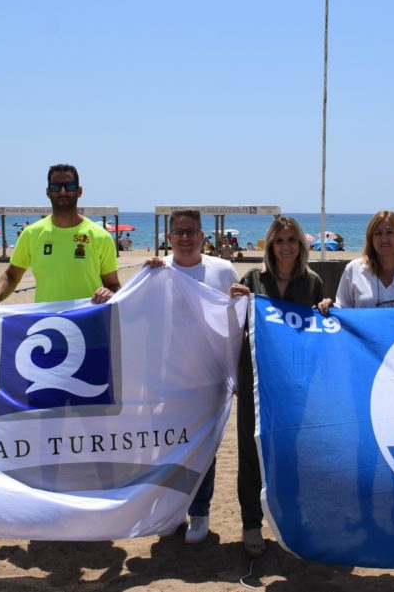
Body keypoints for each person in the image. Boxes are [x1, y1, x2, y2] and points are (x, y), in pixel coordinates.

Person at [229, 216, 324, 557]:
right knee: (250, 451)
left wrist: (327, 309)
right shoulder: (253, 279)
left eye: (292, 240)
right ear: (270, 245)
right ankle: (251, 523)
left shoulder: (312, 282)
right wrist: (236, 301)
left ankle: (292, 518)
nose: (286, 246)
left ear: (301, 245)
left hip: (294, 382)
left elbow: (320, 331)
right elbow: (232, 326)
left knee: (292, 451)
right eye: (279, 240)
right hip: (255, 380)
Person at [147, 208, 241, 544]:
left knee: (204, 451)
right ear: (168, 237)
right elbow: (129, 315)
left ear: (203, 236)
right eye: (179, 232)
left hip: (208, 380)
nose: (185, 238)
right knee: (167, 448)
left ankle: (199, 513)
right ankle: (171, 512)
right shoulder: (155, 273)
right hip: (166, 380)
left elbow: (239, 318)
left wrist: (235, 372)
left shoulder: (223, 270)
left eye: (191, 232)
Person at [0, 164, 119, 305]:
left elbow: (113, 285)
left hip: (85, 322)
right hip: (47, 323)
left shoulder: (101, 237)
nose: (63, 191)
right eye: (56, 187)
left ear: (79, 191)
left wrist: (109, 292)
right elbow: (11, 276)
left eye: (70, 186)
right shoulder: (31, 233)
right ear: (48, 192)